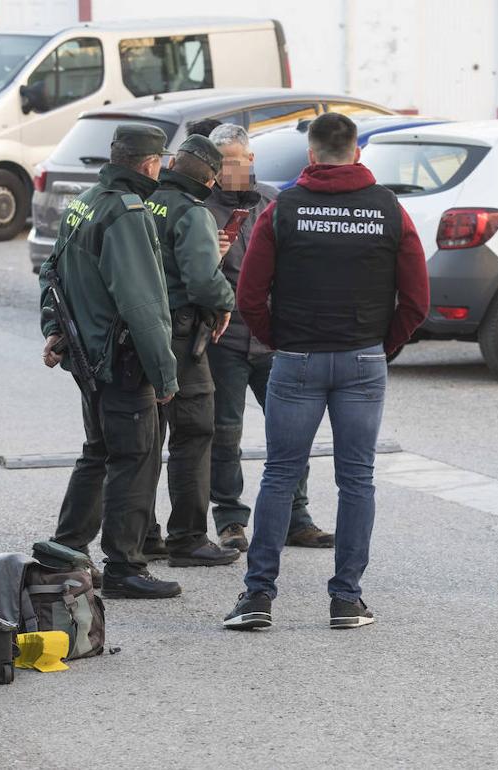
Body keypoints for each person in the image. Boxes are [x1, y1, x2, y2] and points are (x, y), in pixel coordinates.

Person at [222, 112, 429, 631]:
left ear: (311, 155)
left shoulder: (283, 209)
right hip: (362, 358)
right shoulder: (388, 209)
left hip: (297, 358)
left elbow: (249, 294)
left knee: (279, 474)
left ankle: (257, 597)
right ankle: (346, 600)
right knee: (357, 479)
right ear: (357, 152)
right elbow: (417, 300)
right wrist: (382, 344)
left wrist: (279, 339)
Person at [40, 123, 181, 600]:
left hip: (89, 357)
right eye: (161, 162)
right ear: (150, 164)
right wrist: (164, 374)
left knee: (98, 451)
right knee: (135, 459)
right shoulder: (127, 213)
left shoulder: (86, 201)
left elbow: (51, 272)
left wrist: (54, 329)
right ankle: (124, 566)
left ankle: (65, 553)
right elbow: (143, 304)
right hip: (122, 360)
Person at [204, 123, 334, 553]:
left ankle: (297, 518)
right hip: (224, 339)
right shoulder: (202, 208)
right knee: (225, 432)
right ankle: (230, 520)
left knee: (291, 430)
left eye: (235, 161)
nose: (228, 171)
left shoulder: (275, 202)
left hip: (275, 339)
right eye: (220, 164)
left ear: (251, 159)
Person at [142, 134, 243, 568]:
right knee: (195, 432)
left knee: (146, 437)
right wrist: (226, 302)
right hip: (182, 337)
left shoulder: (143, 201)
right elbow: (202, 281)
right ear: (212, 179)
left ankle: (143, 535)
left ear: (172, 164)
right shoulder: (192, 211)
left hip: (140, 333)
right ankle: (188, 538)